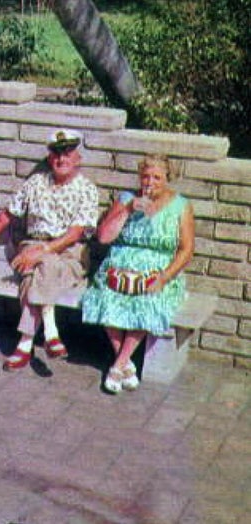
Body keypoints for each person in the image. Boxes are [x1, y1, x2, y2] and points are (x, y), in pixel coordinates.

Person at [0, 129, 99, 370]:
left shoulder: (87, 188)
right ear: (49, 157)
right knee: (41, 266)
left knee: (38, 269)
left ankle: (26, 343)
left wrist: (44, 250)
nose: (61, 159)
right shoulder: (36, 182)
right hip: (32, 244)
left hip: (70, 251)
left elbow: (76, 233)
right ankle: (50, 333)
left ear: (77, 157)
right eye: (56, 153)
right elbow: (8, 214)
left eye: (67, 153)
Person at [82, 154, 194, 393]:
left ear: (167, 179)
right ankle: (127, 364)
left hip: (159, 270)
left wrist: (164, 278)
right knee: (102, 295)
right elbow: (103, 237)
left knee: (147, 300)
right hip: (119, 265)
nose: (150, 182)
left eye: (157, 177)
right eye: (145, 176)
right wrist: (127, 210)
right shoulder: (126, 199)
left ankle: (117, 365)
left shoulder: (181, 206)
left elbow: (186, 250)